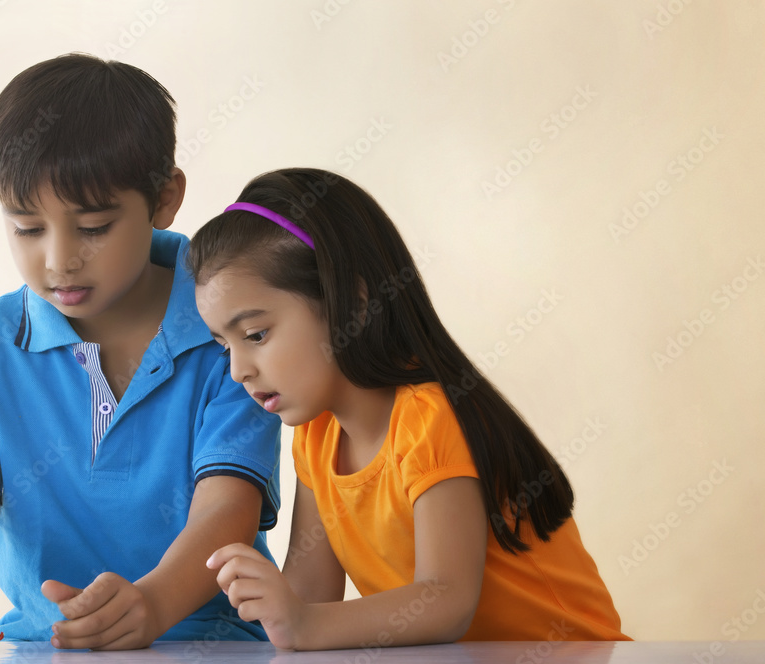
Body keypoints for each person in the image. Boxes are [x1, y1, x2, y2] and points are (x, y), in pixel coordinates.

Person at [0, 54, 281, 653]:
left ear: (164, 199)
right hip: (41, 645)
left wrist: (152, 604)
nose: (59, 260)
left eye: (95, 226)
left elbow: (227, 509)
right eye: (28, 228)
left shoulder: (230, 330)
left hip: (213, 645)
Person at [189, 167, 630, 650]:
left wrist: (305, 623)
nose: (238, 370)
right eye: (223, 345)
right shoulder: (315, 438)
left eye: (255, 335)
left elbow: (446, 600)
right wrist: (270, 603)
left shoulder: (432, 417)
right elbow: (311, 594)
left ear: (351, 306)